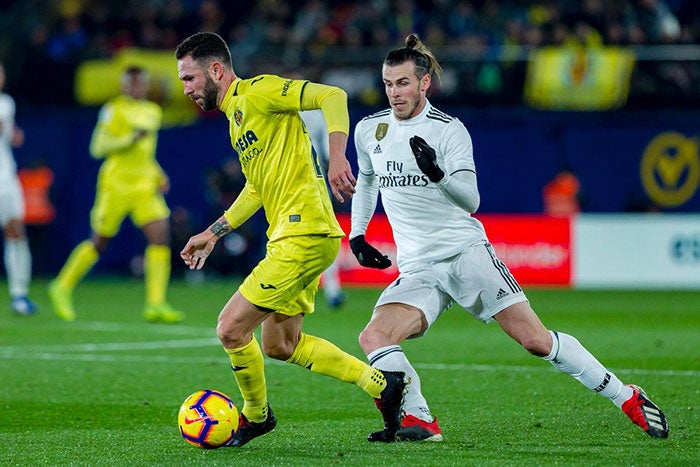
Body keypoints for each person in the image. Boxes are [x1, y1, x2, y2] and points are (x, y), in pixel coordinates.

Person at [349, 33, 669, 442]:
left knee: (535, 341)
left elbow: (471, 200)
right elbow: (368, 182)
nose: (394, 93)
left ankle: (626, 396)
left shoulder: (449, 131)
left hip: (465, 254)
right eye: (389, 84)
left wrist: (438, 175)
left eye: (403, 83)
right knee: (374, 336)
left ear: (424, 83)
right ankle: (421, 420)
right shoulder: (369, 129)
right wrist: (358, 233)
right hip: (418, 267)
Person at [174, 31, 407, 446]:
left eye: (190, 78)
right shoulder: (236, 120)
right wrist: (212, 233)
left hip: (303, 231)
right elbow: (256, 189)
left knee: (230, 330)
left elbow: (332, 96)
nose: (187, 89)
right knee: (281, 344)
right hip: (297, 235)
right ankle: (381, 385)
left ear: (215, 69)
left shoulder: (259, 91)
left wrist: (337, 155)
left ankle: (256, 416)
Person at [48, 66, 184, 324]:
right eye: (131, 84)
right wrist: (128, 140)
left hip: (144, 184)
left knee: (160, 238)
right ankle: (61, 286)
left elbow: (146, 152)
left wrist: (157, 173)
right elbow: (97, 147)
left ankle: (156, 303)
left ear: (145, 86)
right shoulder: (113, 109)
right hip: (116, 185)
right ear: (123, 86)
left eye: (140, 84)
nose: (136, 88)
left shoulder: (152, 111)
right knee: (99, 242)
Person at [0, 62, 37, 315]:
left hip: (5, 177)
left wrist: (14, 135)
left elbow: (9, 134)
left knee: (15, 231)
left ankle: (19, 294)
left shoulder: (6, 103)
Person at [300, 108, 346, 308]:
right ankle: (333, 291)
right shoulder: (314, 112)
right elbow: (328, 153)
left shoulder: (277, 108)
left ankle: (291, 291)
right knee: (326, 235)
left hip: (286, 183)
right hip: (315, 181)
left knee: (289, 237)